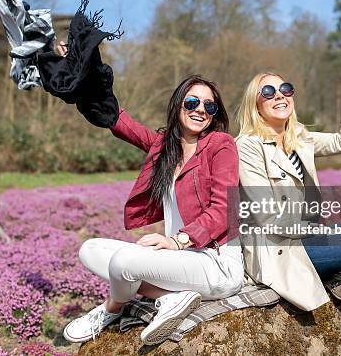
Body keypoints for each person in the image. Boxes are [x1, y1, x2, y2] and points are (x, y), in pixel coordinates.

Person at [63, 75, 244, 345]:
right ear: (178, 105)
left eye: (210, 106)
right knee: (90, 250)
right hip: (179, 262)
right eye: (192, 101)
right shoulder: (164, 146)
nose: (201, 110)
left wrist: (177, 240)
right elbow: (123, 124)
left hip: (214, 261)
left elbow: (224, 209)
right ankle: (171, 296)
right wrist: (84, 73)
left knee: (124, 262)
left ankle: (112, 308)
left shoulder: (220, 144)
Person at [235, 47, 341, 311]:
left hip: (304, 237)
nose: (279, 95)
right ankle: (332, 277)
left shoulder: (299, 137)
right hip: (278, 249)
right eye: (268, 92)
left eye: (285, 89)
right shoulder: (247, 146)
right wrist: (320, 231)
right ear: (255, 105)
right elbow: (266, 216)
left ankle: (335, 278)